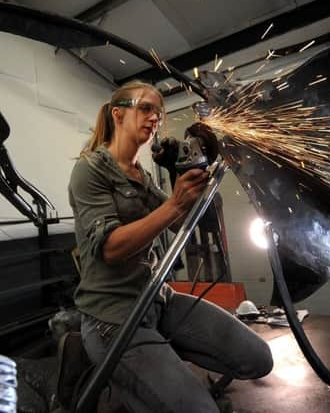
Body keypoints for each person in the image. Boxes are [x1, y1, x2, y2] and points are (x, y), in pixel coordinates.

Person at [68, 81, 273, 412]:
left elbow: (182, 223)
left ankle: (153, 370)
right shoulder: (89, 170)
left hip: (157, 302)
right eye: (146, 108)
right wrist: (176, 204)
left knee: (258, 359)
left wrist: (190, 177)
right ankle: (131, 376)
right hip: (113, 319)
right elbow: (111, 249)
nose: (155, 118)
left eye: (159, 113)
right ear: (117, 114)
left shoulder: (140, 175)